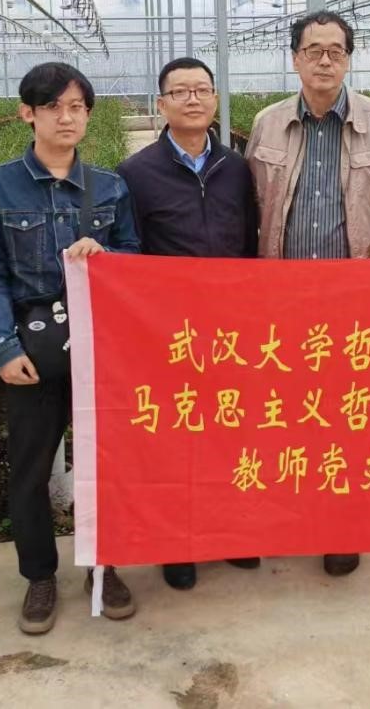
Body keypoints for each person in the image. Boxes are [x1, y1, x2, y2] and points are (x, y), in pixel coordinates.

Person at [0, 62, 141, 634]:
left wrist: (108, 255)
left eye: (77, 107)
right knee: (31, 467)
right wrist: (1, 345)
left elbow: (134, 255)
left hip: (100, 349)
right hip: (32, 345)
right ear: (28, 113)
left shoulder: (110, 186)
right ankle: (39, 576)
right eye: (53, 107)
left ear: (88, 115)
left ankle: (104, 567)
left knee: (105, 463)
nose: (66, 117)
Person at [245, 9, 370, 577]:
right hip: (283, 299)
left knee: (349, 415)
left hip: (358, 301)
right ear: (295, 58)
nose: (324, 60)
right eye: (313, 50)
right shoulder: (267, 124)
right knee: (285, 412)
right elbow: (251, 206)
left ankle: (341, 525)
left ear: (348, 59)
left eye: (335, 50)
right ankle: (290, 514)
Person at [117, 56, 261, 590]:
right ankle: (178, 543)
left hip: (231, 330)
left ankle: (232, 533)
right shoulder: (136, 174)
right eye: (180, 92)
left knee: (231, 433)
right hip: (170, 333)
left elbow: (249, 242)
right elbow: (130, 252)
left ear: (216, 99)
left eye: (202, 89)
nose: (193, 99)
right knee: (178, 439)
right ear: (162, 105)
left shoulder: (237, 168)